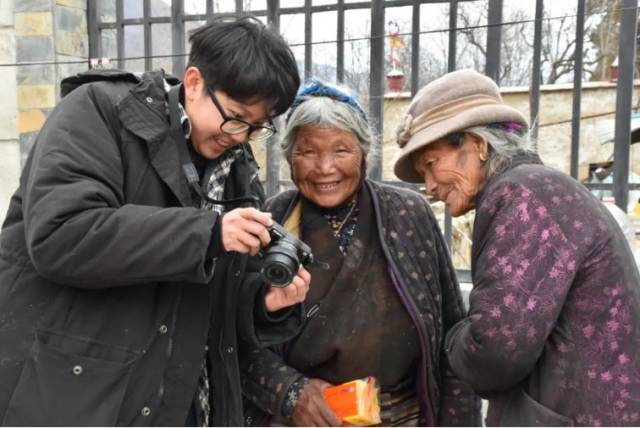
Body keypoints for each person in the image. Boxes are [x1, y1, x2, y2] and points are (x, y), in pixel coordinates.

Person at [0, 16, 310, 426]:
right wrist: (208, 233)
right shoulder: (100, 112)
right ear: (194, 83)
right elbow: (62, 235)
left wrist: (264, 303)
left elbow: (206, 305)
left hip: (174, 402)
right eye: (235, 118)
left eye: (255, 128)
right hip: (71, 397)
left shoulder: (237, 171)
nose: (239, 137)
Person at [394, 69, 640, 426]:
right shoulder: (538, 188)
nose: (429, 186)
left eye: (432, 165)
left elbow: (495, 353)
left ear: (479, 145)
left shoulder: (520, 196)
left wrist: (452, 338)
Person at [239, 80, 481, 427]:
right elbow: (236, 337)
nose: (325, 167)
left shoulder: (407, 214)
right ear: (289, 157)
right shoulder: (270, 221)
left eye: (341, 150)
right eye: (308, 152)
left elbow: (452, 334)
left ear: (364, 153)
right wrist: (289, 392)